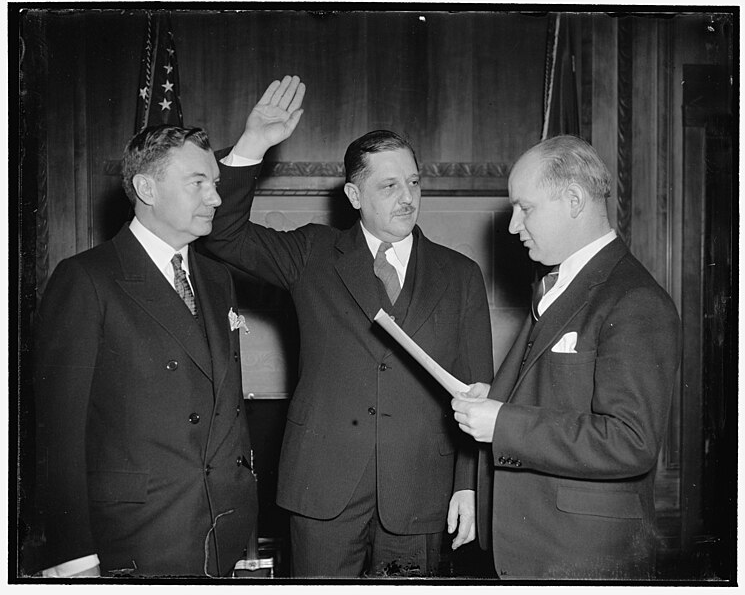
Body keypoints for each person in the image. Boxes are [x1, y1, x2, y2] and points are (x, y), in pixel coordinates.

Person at [205, 77, 494, 577]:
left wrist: (467, 484)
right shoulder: (311, 254)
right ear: (354, 194)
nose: (407, 198)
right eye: (389, 185)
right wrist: (253, 144)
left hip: (421, 492)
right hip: (323, 488)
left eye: (414, 182)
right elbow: (223, 234)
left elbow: (476, 392)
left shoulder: (460, 274)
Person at [29, 89, 303, 578]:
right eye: (198, 182)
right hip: (134, 542)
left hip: (224, 536)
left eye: (216, 183)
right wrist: (73, 558)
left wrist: (249, 538)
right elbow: (58, 436)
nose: (215, 197)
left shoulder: (217, 280)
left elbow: (229, 419)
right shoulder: (87, 279)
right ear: (148, 189)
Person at [451, 135, 682, 580]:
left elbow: (630, 441)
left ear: (574, 199)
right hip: (537, 547)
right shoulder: (560, 284)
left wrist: (503, 422)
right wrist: (497, 398)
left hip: (583, 559)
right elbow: (556, 393)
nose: (514, 225)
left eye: (525, 208)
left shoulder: (634, 299)